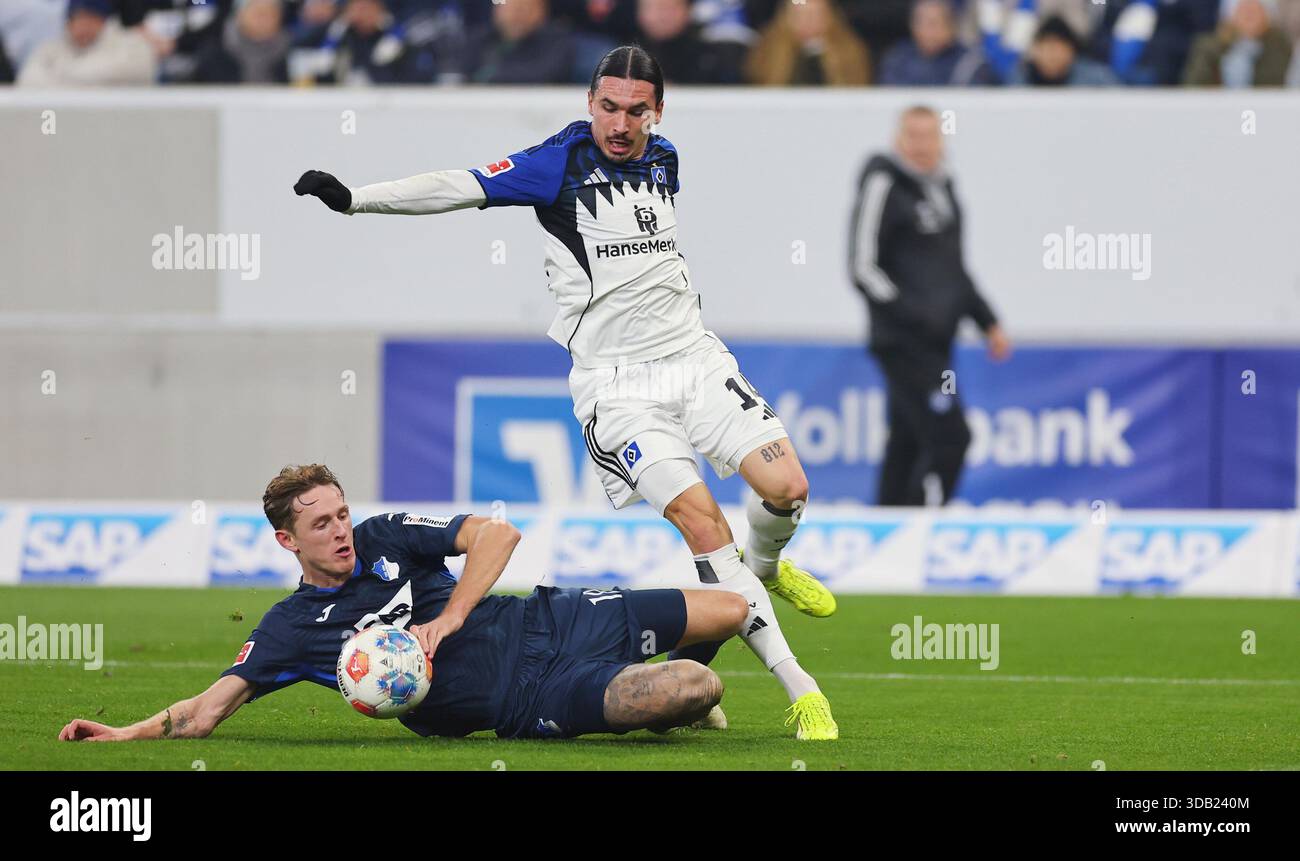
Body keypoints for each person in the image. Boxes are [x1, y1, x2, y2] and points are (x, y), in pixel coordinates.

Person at [293, 46, 839, 739]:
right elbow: (456, 185)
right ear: (590, 102)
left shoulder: (665, 160)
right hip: (619, 390)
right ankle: (801, 687)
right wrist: (355, 199)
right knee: (706, 526)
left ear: (658, 112)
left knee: (787, 485)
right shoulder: (556, 164)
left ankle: (766, 568)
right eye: (607, 106)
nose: (620, 121)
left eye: (635, 109)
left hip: (694, 361)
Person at [58, 464, 748, 742]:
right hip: (529, 692)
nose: (339, 532)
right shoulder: (292, 629)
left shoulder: (385, 536)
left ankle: (662, 692)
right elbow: (208, 710)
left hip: (548, 614)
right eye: (320, 524)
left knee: (730, 609)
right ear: (286, 540)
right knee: (696, 682)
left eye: (340, 514)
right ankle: (665, 703)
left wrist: (448, 618)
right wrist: (124, 734)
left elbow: (497, 534)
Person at [848, 106, 1010, 507]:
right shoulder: (884, 181)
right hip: (904, 342)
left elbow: (954, 269)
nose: (922, 146)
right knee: (951, 436)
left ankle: (888, 527)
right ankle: (925, 523)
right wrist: (913, 315)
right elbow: (862, 266)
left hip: (939, 341)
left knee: (907, 438)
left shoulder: (944, 189)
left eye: (930, 136)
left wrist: (988, 321)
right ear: (897, 140)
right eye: (913, 136)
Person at [18, 0, 156, 86]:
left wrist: (63, 75)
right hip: (64, 122)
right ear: (69, 22)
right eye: (78, 19)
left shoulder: (131, 44)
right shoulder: (50, 49)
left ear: (103, 21)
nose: (83, 27)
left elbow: (136, 71)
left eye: (90, 19)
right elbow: (27, 81)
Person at [878, 0, 994, 86]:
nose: (927, 31)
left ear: (951, 26)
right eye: (920, 22)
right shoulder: (898, 59)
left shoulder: (971, 62)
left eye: (933, 23)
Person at [1183, 0, 1292, 86]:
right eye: (1244, 10)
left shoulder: (1280, 45)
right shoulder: (1209, 47)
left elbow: (1278, 83)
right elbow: (1195, 84)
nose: (1249, 16)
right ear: (1232, 15)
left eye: (1255, 10)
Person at [1004, 14, 1119, 86]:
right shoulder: (1018, 80)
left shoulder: (1096, 79)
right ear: (1034, 51)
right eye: (1047, 48)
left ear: (1071, 51)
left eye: (1058, 49)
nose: (1052, 56)